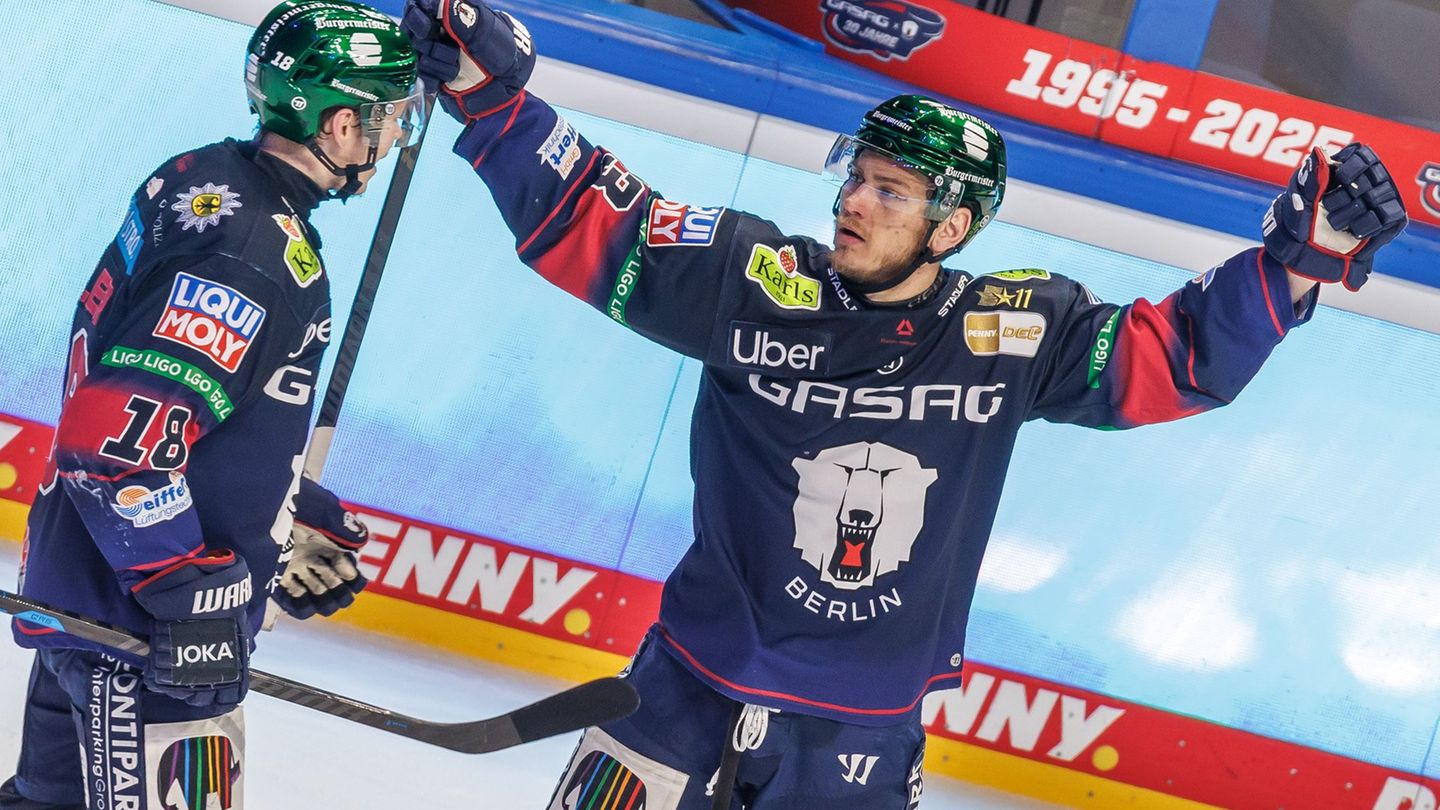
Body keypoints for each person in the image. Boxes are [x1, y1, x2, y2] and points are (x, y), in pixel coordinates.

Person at [401, 2, 1409, 807]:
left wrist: (1295, 265)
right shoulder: (747, 277)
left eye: (891, 191)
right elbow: (592, 216)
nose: (854, 201)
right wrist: (493, 102)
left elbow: (1178, 357)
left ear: (953, 226)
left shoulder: (1015, 330)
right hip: (683, 688)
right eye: (858, 179)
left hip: (860, 736)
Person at [0, 2, 426, 808]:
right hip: (144, 644)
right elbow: (113, 440)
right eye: (390, 115)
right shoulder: (253, 256)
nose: (397, 132)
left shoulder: (203, 177)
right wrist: (189, 588)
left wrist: (278, 515)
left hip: (92, 597)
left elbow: (184, 411)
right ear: (341, 124)